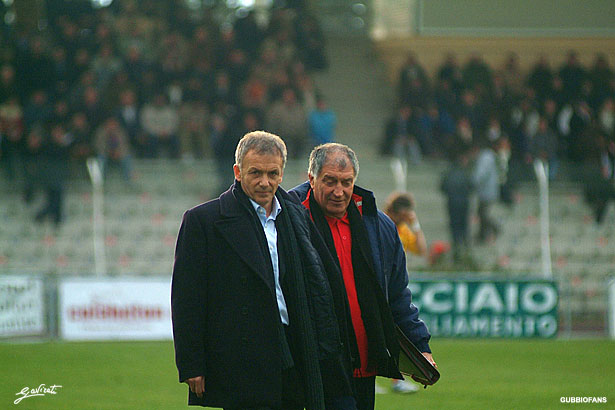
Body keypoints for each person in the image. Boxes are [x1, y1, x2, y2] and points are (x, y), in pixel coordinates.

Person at [171, 131, 355, 410]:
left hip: (294, 348)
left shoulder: (296, 215)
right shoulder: (203, 221)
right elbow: (187, 299)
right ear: (237, 171)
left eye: (272, 173)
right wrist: (192, 363)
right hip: (240, 355)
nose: (264, 182)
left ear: (282, 174)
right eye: (255, 172)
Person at [290, 143, 435, 410]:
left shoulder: (379, 227)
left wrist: (419, 348)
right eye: (330, 181)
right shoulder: (288, 220)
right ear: (311, 179)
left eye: (346, 182)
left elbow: (397, 296)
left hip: (364, 366)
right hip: (313, 365)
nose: (339, 191)